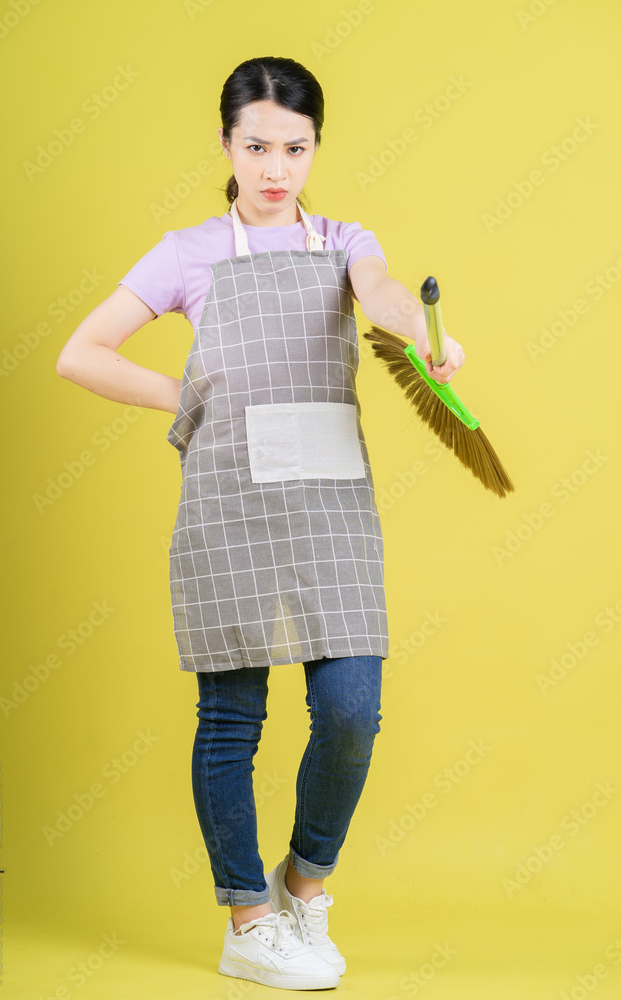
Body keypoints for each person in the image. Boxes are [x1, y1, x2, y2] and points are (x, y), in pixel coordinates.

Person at [56, 55, 465, 991]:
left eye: (295, 146)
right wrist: (195, 397)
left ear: (315, 146)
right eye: (255, 146)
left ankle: (303, 884)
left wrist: (425, 336)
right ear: (225, 144)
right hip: (229, 499)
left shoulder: (342, 240)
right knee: (231, 719)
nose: (275, 167)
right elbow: (82, 353)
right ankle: (247, 918)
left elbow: (389, 293)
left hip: (329, 504)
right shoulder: (187, 251)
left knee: (350, 713)